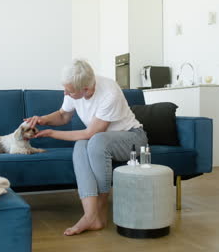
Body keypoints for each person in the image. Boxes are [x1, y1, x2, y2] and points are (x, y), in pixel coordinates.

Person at [25, 59, 148, 236]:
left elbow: (92, 133)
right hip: (100, 139)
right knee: (81, 145)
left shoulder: (109, 92)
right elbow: (63, 116)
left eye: (69, 91)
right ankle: (91, 216)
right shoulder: (74, 88)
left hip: (132, 138)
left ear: (86, 89)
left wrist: (51, 133)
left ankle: (100, 210)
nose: (65, 92)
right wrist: (42, 119)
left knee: (95, 141)